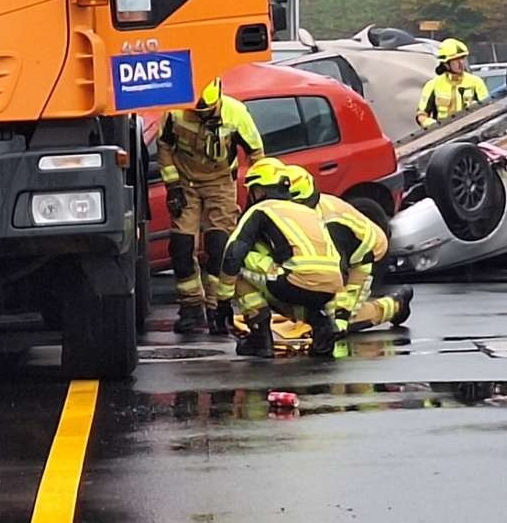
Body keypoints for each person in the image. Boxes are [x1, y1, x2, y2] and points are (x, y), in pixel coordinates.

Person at [157, 76, 265, 333]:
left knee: (219, 246)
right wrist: (172, 186)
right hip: (186, 185)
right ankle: (191, 309)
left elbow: (257, 153)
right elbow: (164, 147)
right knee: (181, 248)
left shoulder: (236, 113)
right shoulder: (176, 112)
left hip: (220, 185)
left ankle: (217, 308)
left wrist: (259, 192)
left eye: (208, 112)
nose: (203, 117)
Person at [214, 158, 343, 358]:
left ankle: (260, 338)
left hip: (295, 279)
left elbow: (233, 254)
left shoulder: (261, 209)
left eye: (253, 190)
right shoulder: (308, 211)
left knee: (239, 266)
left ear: (260, 190)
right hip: (331, 285)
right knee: (280, 289)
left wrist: (222, 303)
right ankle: (321, 324)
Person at [285, 164, 413, 337]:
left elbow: (334, 276)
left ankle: (395, 305)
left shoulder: (328, 226)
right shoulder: (305, 209)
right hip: (351, 252)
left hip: (368, 256)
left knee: (338, 318)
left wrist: (339, 315)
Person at [416, 37, 489, 128]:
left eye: (462, 58)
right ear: (446, 63)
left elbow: (487, 109)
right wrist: (434, 126)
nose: (461, 63)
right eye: (456, 60)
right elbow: (421, 116)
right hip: (445, 136)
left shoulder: (476, 82)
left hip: (471, 131)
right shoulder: (433, 85)